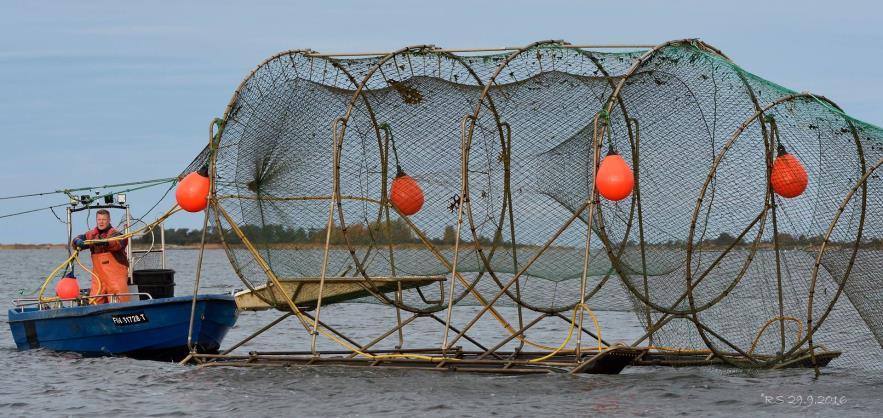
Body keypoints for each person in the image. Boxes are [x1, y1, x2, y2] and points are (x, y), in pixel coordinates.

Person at [72, 209, 130, 303]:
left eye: (104, 219)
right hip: (98, 278)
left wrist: (105, 243)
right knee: (94, 301)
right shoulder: (91, 235)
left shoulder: (116, 234)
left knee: (120, 302)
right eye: (99, 219)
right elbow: (76, 240)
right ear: (96, 220)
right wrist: (76, 242)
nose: (101, 222)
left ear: (109, 220)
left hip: (116, 278)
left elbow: (119, 243)